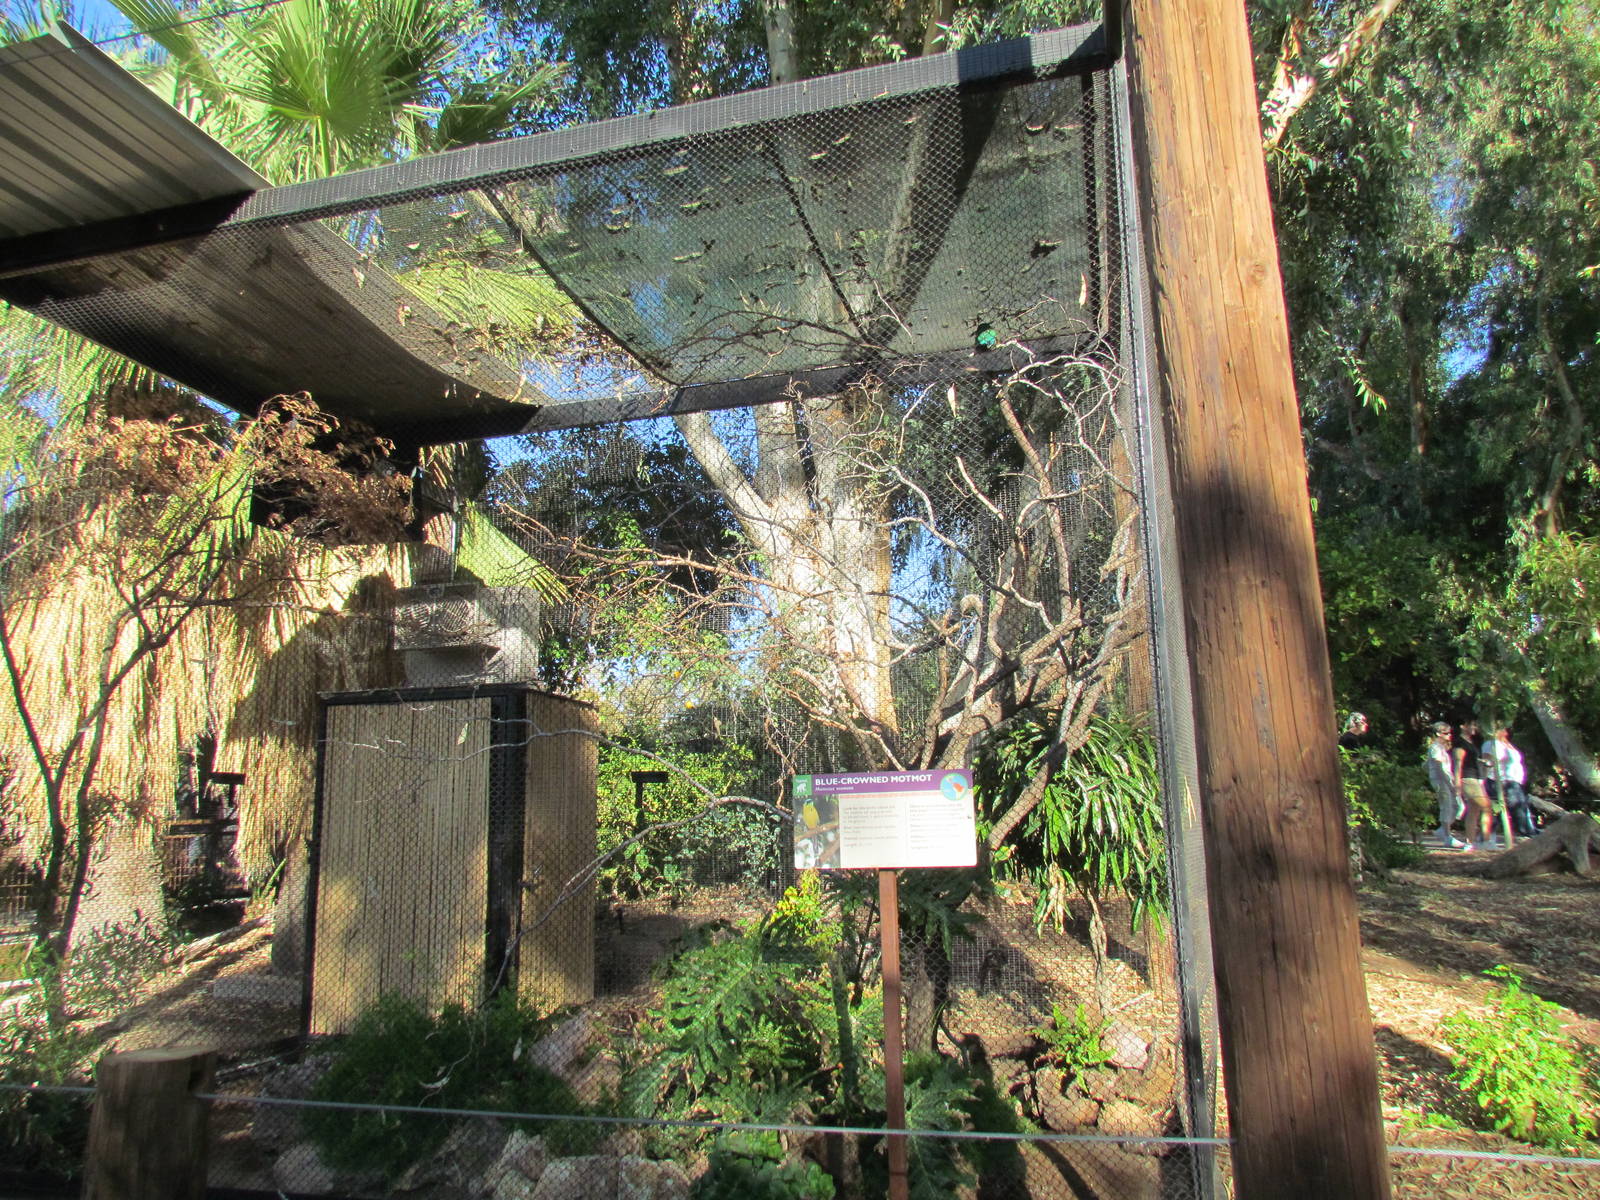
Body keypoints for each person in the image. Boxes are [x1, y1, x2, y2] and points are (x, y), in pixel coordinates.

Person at [1485, 727, 1535, 838]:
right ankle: (1526, 832)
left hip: (1515, 781)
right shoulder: (1492, 744)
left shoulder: (1507, 745)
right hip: (1503, 781)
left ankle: (1529, 830)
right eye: (1502, 729)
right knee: (1507, 809)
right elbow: (1489, 761)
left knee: (1521, 806)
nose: (1506, 732)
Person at [1454, 720, 1493, 849]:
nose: (1474, 727)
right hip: (1467, 778)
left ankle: (1470, 842)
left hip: (1476, 778)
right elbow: (1458, 763)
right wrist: (1457, 783)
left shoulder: (1472, 742)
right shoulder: (1460, 743)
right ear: (1463, 726)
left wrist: (1484, 762)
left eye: (1475, 725)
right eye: (1471, 725)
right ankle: (1486, 841)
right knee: (1486, 806)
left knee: (1474, 810)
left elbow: (1472, 760)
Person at [1426, 722, 1466, 848]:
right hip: (1440, 780)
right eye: (1446, 733)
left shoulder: (1441, 748)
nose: (1449, 735)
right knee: (1446, 806)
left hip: (1447, 780)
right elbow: (1439, 767)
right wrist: (1449, 783)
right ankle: (1447, 837)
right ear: (1438, 734)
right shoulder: (1435, 748)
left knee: (1458, 806)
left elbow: (1426, 765)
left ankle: (1442, 830)